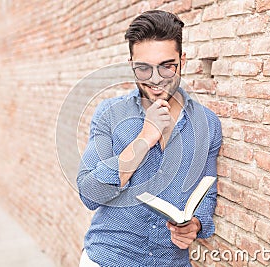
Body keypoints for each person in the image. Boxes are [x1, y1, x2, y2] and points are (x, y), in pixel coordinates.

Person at [77, 10, 222, 267]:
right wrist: (144, 138)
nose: (156, 79)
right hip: (109, 259)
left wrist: (194, 225)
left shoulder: (208, 124)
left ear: (182, 60)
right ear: (131, 64)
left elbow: (206, 193)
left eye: (167, 66)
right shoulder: (110, 114)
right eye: (144, 68)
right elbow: (90, 194)